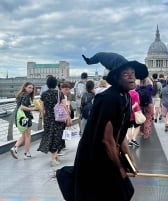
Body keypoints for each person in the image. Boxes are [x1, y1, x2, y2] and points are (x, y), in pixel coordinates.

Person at [74, 52, 148, 200]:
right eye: (126, 74)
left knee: (125, 191)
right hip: (96, 160)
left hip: (107, 156)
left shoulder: (125, 97)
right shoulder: (109, 99)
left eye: (132, 73)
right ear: (115, 78)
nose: (131, 76)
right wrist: (119, 167)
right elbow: (107, 140)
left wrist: (130, 161)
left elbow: (119, 136)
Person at [37, 76, 67, 166]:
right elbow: (64, 106)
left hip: (48, 118)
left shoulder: (44, 94)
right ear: (55, 84)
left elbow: (41, 108)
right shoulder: (59, 93)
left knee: (50, 136)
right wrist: (67, 117)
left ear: (47, 84)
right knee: (57, 137)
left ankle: (55, 155)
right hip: (58, 118)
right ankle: (53, 159)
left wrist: (42, 118)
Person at [10, 82, 38, 159]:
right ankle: (27, 152)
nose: (31, 90)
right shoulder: (26, 95)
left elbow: (20, 106)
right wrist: (33, 108)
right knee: (28, 135)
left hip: (19, 117)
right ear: (25, 87)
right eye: (29, 87)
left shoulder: (20, 94)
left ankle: (15, 148)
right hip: (25, 117)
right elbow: (22, 107)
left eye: (32, 88)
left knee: (24, 134)